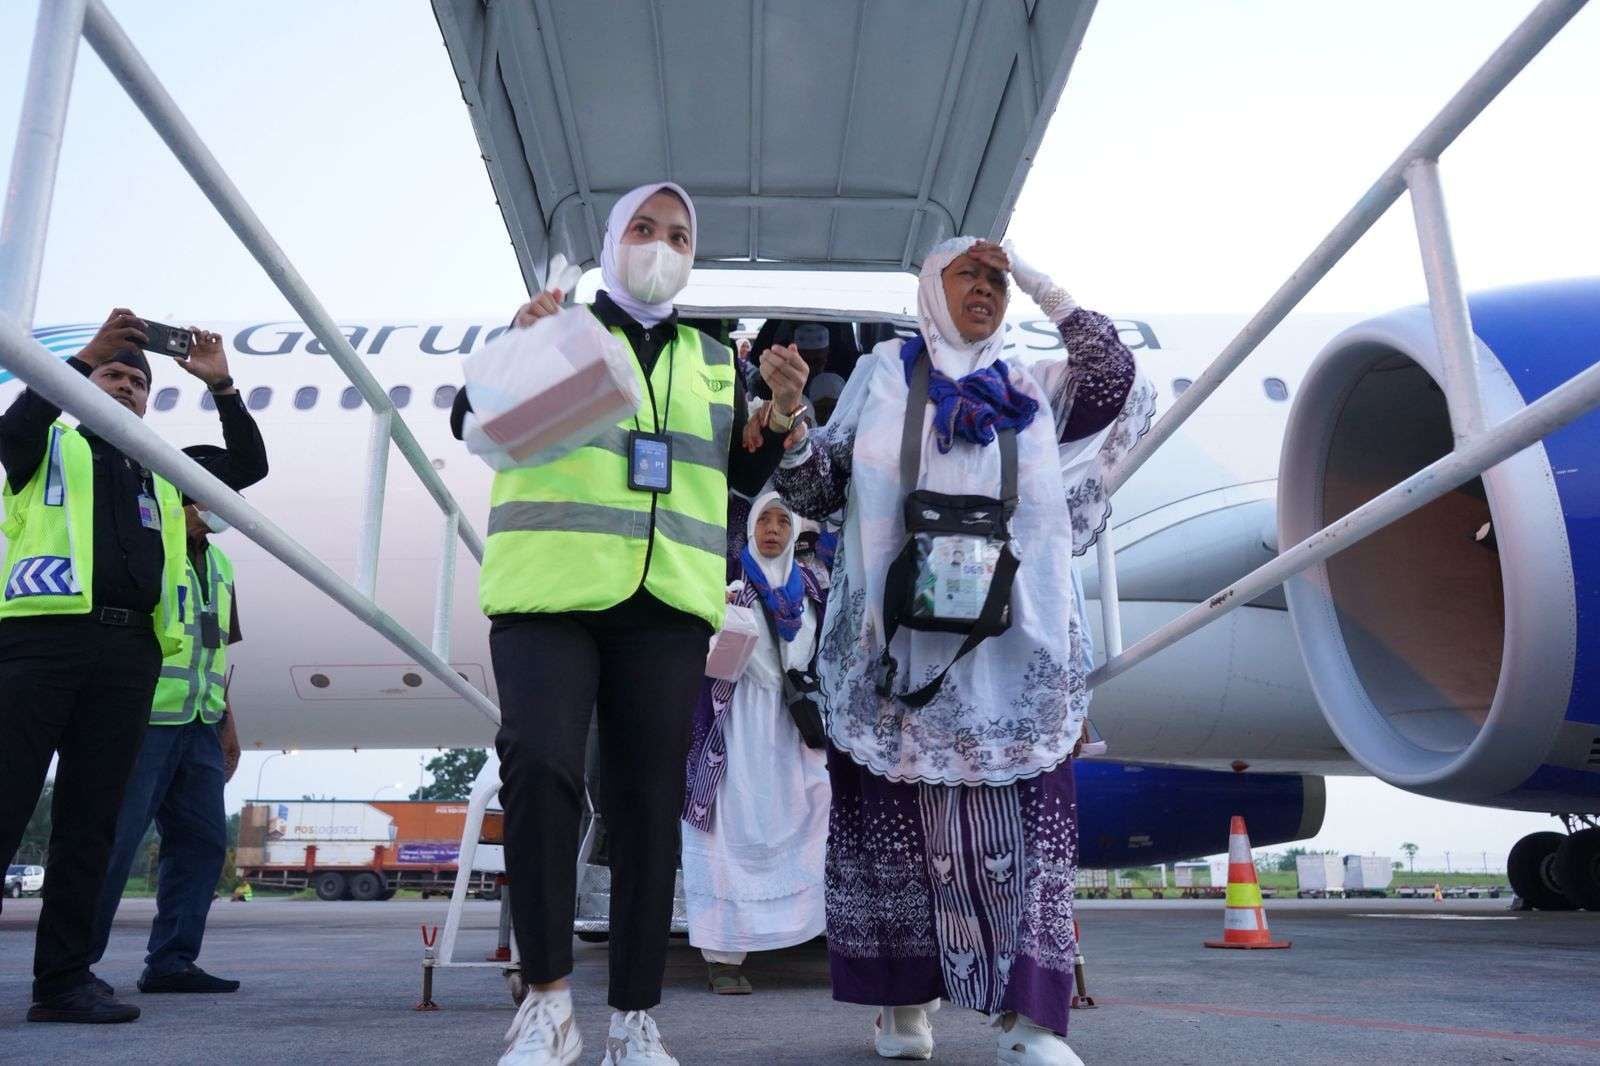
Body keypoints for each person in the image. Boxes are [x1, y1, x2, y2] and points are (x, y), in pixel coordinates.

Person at [447, 182, 808, 1066]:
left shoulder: (714, 357)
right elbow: (469, 420)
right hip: (549, 594)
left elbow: (738, 469)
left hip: (666, 607)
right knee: (540, 768)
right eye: (644, 229)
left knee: (648, 805)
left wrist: (780, 412)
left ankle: (634, 1020)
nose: (660, 245)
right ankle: (546, 1003)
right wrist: (521, 346)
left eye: (678, 235)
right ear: (611, 244)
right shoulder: (556, 328)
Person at [776, 237, 1154, 1064]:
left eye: (996, 280)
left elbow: (1115, 374)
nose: (984, 289)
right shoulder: (881, 375)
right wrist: (791, 416)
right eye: (967, 275)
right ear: (929, 287)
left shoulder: (1036, 384)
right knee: (896, 839)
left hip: (1012, 657)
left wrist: (1039, 279)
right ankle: (902, 1009)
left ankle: (1031, 1024)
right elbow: (816, 490)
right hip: (895, 659)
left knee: (1023, 840)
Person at [0, 310, 267, 1024]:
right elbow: (12, 432)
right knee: (7, 801)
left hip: (127, 656)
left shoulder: (162, 466)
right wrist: (79, 361)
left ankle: (63, 982)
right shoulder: (48, 445)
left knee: (91, 825)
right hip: (41, 642)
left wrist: (222, 387)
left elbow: (248, 467)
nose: (125, 385)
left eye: (136, 381)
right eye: (112, 375)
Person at [88, 475, 245, 996]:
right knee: (114, 842)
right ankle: (72, 966)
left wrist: (228, 721)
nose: (229, 507)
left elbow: (216, 650)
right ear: (186, 497)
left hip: (201, 723)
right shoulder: (148, 550)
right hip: (146, 720)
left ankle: (172, 962)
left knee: (202, 843)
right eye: (220, 494)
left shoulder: (221, 567)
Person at [681, 492, 828, 995]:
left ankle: (814, 932)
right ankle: (723, 958)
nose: (772, 529)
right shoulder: (727, 585)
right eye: (764, 520)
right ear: (749, 529)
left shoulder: (813, 588)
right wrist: (723, 623)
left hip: (792, 727)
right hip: (734, 728)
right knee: (730, 829)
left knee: (820, 812)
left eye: (783, 521)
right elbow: (706, 663)